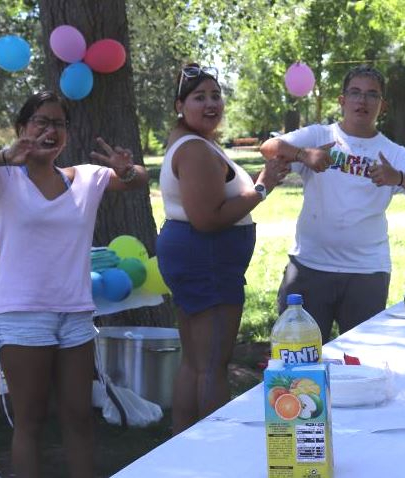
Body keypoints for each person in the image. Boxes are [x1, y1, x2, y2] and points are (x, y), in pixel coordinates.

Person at [0, 90, 149, 478]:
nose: (51, 130)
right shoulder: (2, 177)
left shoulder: (86, 178)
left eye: (59, 124)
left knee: (79, 418)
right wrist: (4, 155)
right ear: (22, 129)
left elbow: (135, 181)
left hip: (75, 314)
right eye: (41, 122)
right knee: (31, 422)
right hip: (22, 315)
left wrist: (128, 169)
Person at [259, 65, 405, 343]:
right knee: (297, 356)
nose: (362, 101)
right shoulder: (320, 137)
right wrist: (303, 154)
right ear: (342, 100)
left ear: (383, 105)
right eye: (355, 93)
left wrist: (398, 177)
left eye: (372, 95)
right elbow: (269, 148)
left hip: (366, 272)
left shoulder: (392, 152)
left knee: (360, 358)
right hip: (310, 266)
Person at [156, 64, 288, 434]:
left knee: (195, 362)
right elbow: (208, 220)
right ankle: (214, 450)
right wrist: (262, 187)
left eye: (216, 95)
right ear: (180, 105)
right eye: (200, 97)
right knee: (212, 364)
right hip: (207, 259)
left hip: (199, 258)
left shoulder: (191, 141)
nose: (211, 103)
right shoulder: (196, 150)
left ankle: (180, 447)